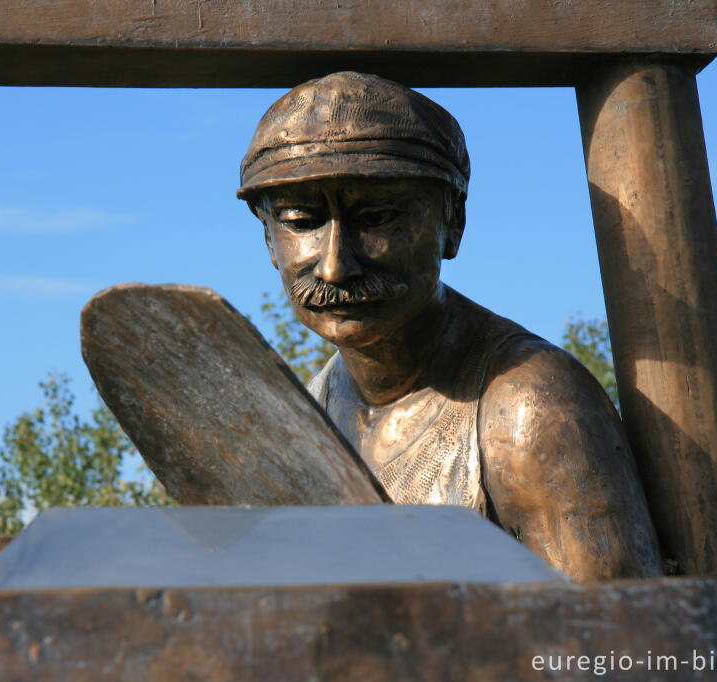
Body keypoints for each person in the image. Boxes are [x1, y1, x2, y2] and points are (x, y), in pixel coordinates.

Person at [238, 71, 661, 581]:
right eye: (301, 221)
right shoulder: (308, 415)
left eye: (377, 217)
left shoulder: (530, 409)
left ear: (451, 220)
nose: (335, 265)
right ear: (268, 241)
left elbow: (620, 649)